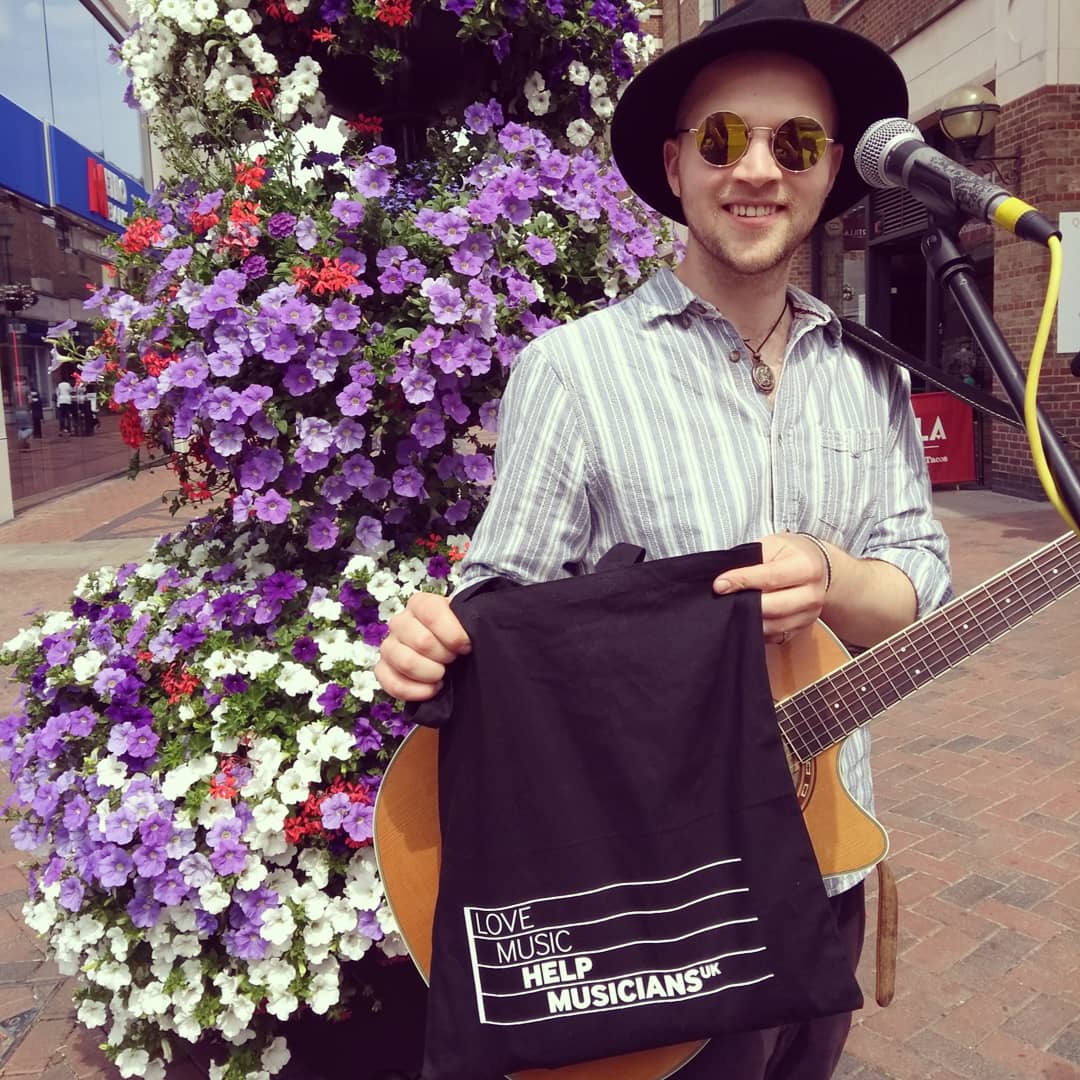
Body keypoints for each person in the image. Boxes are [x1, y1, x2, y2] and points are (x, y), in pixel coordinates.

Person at [376, 0, 951, 1076]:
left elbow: (917, 576)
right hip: (671, 891)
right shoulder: (576, 370)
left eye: (797, 143)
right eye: (725, 139)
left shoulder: (872, 376)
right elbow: (501, 596)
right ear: (677, 164)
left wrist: (831, 575)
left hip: (828, 858)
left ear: (832, 170)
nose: (759, 170)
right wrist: (434, 642)